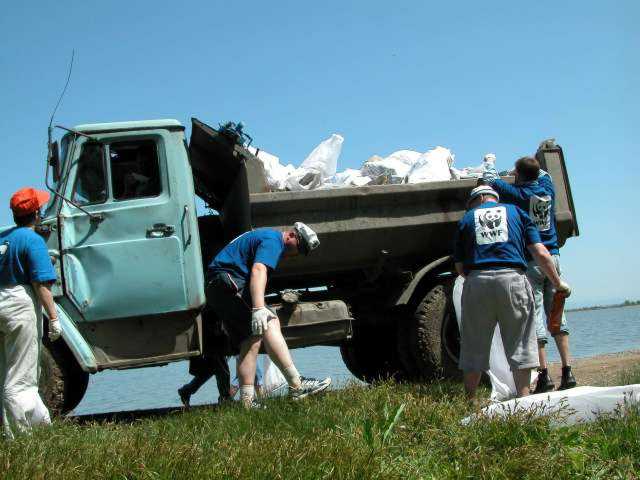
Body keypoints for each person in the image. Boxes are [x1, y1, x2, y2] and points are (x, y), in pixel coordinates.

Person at [453, 185, 571, 400]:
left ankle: (470, 402)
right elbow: (540, 252)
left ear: (477, 200)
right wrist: (557, 283)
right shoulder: (517, 212)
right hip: (513, 279)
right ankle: (523, 401)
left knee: (474, 346)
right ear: (494, 199)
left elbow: (460, 268)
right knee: (521, 344)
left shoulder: (466, 219)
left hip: (477, 281)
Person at [206, 222, 330, 408]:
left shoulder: (265, 237)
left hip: (217, 286)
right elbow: (259, 270)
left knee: (250, 339)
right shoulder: (273, 240)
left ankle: (248, 403)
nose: (296, 254)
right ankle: (297, 385)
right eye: (300, 248)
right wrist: (258, 309)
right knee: (269, 321)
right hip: (227, 281)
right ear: (291, 236)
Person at [483, 156, 577, 392]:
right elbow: (543, 173)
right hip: (553, 258)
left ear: (518, 175)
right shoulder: (547, 189)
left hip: (532, 260)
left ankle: (544, 375)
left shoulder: (517, 195)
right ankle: (568, 371)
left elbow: (490, 179)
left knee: (534, 317)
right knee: (556, 314)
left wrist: (491, 160)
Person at [0, 188, 61, 439]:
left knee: (6, 372)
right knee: (20, 379)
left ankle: (41, 427)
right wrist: (54, 319)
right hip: (18, 305)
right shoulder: (32, 239)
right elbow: (41, 284)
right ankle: (21, 438)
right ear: (36, 213)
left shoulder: (4, 238)